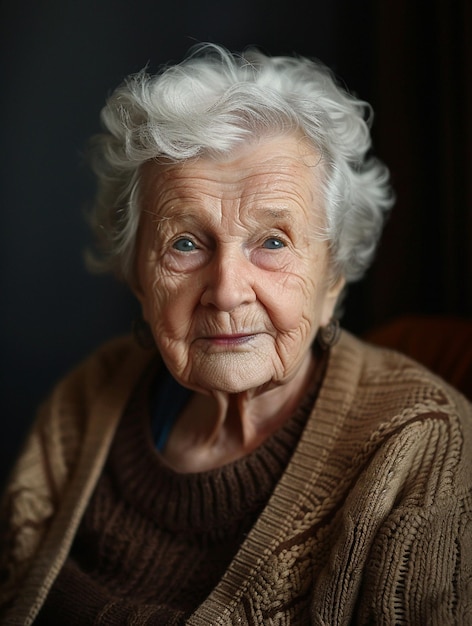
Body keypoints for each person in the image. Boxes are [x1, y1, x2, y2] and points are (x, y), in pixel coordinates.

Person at [0, 44, 471, 625]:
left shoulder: (420, 446)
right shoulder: (85, 401)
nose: (227, 291)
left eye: (272, 242)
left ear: (332, 281)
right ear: (139, 279)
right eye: (185, 243)